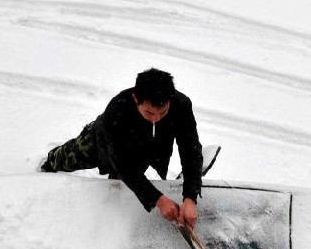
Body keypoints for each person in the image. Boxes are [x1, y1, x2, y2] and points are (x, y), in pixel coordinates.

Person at [40, 68, 204, 229]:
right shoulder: (118, 107)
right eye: (149, 113)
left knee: (121, 181)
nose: (156, 120)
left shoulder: (181, 106)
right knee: (68, 158)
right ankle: (50, 161)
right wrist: (159, 200)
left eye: (163, 113)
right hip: (99, 143)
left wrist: (190, 197)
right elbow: (122, 163)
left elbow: (191, 150)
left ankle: (113, 200)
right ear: (135, 98)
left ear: (171, 99)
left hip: (142, 151)